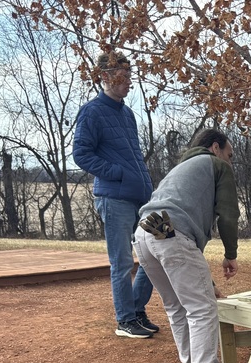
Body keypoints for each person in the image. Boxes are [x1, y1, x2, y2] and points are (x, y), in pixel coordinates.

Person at [133, 128, 242, 363]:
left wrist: (208, 281)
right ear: (216, 148)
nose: (229, 161)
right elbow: (228, 214)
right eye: (229, 155)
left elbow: (186, 251)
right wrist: (231, 253)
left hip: (145, 232)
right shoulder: (216, 165)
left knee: (176, 306)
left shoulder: (181, 168)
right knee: (203, 309)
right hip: (171, 232)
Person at [72, 49, 157, 339]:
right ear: (105, 77)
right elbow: (81, 155)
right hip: (113, 197)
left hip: (142, 197)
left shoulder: (128, 114)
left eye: (130, 77)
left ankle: (136, 309)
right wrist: (118, 173)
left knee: (155, 254)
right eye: (122, 77)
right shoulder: (92, 111)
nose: (128, 83)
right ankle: (125, 320)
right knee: (122, 262)